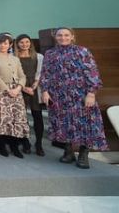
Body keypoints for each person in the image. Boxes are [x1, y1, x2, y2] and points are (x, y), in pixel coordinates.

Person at [40, 27, 108, 169]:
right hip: (59, 96)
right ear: (55, 37)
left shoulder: (82, 51)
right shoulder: (50, 53)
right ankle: (68, 151)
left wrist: (91, 93)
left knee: (86, 124)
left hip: (80, 96)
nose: (63, 37)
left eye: (66, 35)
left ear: (72, 36)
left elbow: (93, 72)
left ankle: (83, 154)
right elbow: (45, 73)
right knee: (63, 123)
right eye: (60, 35)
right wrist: (45, 91)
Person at [0, 34, 29, 158]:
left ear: (10, 45)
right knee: (4, 119)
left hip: (16, 91)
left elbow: (22, 75)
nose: (2, 45)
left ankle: (14, 146)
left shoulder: (15, 59)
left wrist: (19, 87)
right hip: (1, 91)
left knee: (16, 119)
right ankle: (2, 145)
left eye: (5, 43)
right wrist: (7, 90)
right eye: (0, 43)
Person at [14, 34, 45, 156]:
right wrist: (23, 87)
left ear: (30, 43)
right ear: (17, 44)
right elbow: (13, 74)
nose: (24, 44)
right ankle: (25, 142)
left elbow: (41, 72)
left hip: (35, 87)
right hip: (19, 87)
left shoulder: (39, 56)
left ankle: (39, 143)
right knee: (22, 117)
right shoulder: (13, 57)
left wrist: (35, 85)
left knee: (37, 116)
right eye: (21, 42)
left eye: (27, 42)